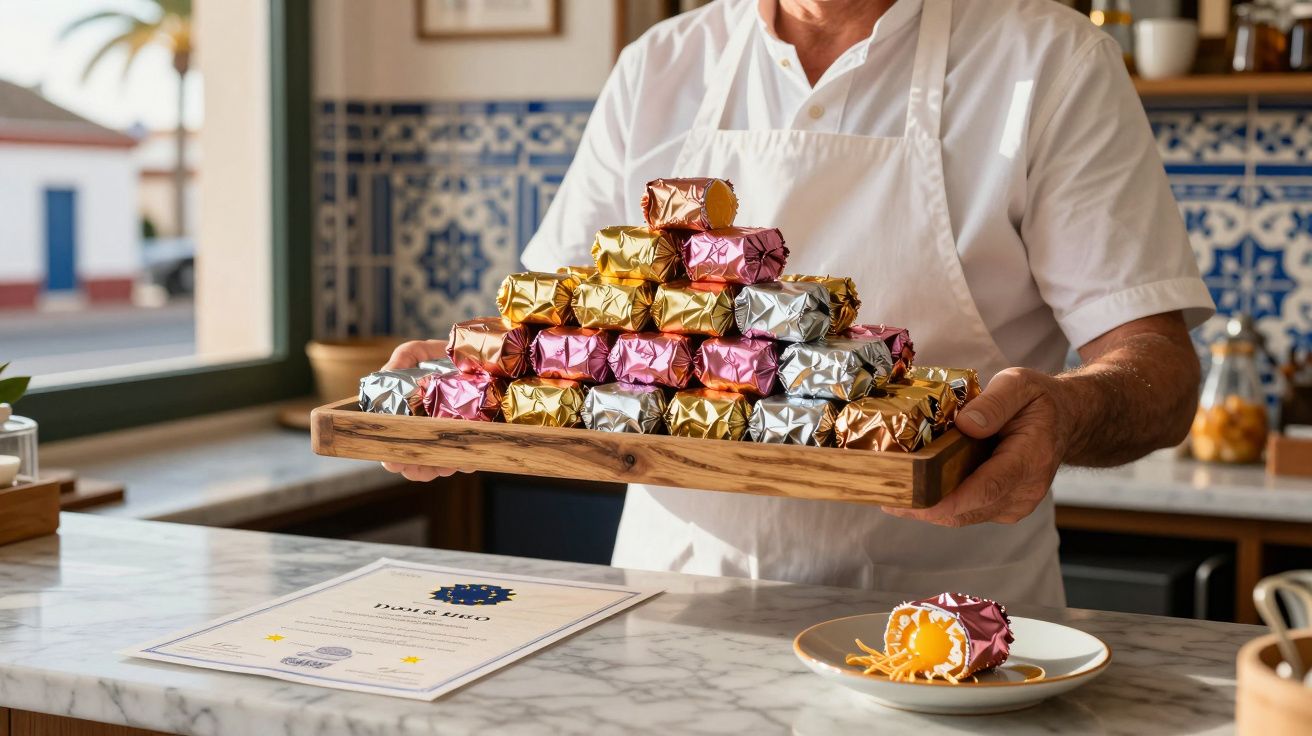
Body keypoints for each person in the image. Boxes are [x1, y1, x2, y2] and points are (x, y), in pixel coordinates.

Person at [383, 0, 1215, 608]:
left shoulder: (1050, 61)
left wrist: (1064, 414)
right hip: (671, 602)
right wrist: (462, 382)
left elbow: (1162, 372)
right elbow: (557, 327)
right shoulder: (659, 66)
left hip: (946, 620)